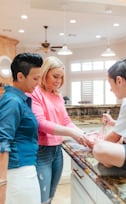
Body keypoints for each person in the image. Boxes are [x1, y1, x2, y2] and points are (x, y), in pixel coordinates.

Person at [30, 56, 86, 204]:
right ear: (44, 73)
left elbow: (66, 121)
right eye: (55, 76)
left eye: (61, 78)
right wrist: (71, 133)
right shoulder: (35, 93)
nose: (58, 81)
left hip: (57, 152)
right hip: (41, 152)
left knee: (50, 196)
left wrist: (83, 134)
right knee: (41, 198)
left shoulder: (58, 95)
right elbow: (41, 124)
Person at [0, 53, 43, 204]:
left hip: (25, 167)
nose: (38, 83)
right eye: (35, 78)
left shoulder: (20, 99)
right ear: (20, 76)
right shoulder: (12, 101)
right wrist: (0, 186)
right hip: (19, 171)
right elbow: (2, 144)